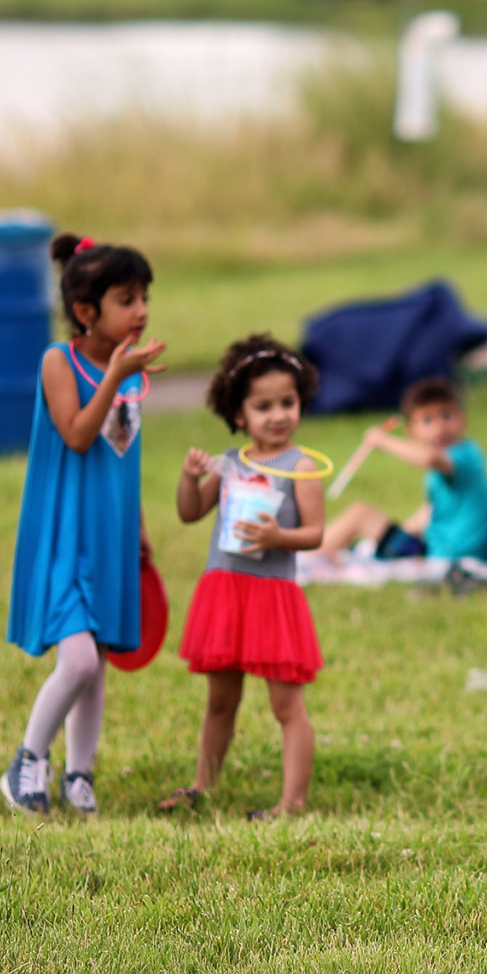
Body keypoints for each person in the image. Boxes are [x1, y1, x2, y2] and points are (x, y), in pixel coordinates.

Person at [0, 234, 165, 816]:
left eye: (143, 298)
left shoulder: (131, 374)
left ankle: (79, 775)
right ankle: (26, 761)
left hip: (110, 537)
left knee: (97, 663)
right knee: (78, 660)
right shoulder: (59, 361)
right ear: (85, 311)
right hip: (65, 535)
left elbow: (122, 457)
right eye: (127, 300)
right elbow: (76, 433)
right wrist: (115, 376)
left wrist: (138, 528)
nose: (140, 311)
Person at [160, 335, 328, 820]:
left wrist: (278, 536)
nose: (278, 415)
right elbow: (191, 512)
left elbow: (315, 533)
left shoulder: (301, 467)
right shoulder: (232, 462)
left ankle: (291, 802)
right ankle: (201, 784)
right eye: (263, 406)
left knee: (286, 706)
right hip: (226, 592)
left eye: (287, 403)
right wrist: (189, 478)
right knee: (220, 700)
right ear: (239, 413)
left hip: (273, 596)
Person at [321, 378, 487, 572]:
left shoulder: (465, 455)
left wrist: (383, 441)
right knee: (367, 521)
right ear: (411, 431)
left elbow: (430, 458)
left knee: (360, 514)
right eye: (427, 420)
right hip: (434, 551)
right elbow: (428, 513)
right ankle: (317, 550)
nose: (439, 427)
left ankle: (307, 553)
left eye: (447, 415)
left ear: (463, 419)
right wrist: (396, 534)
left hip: (445, 557)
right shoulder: (446, 468)